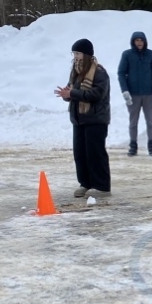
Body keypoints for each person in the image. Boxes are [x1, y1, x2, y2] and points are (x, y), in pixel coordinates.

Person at [55, 39, 112, 198]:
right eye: (74, 54)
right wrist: (67, 94)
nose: (76, 57)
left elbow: (96, 94)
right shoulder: (76, 72)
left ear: (86, 54)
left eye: (78, 53)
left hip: (95, 119)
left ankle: (102, 186)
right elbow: (74, 92)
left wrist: (72, 94)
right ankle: (85, 183)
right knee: (80, 154)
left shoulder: (99, 72)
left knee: (95, 153)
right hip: (79, 119)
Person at [116, 31, 152, 156]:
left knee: (151, 121)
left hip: (148, 94)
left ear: (145, 41)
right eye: (136, 40)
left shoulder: (151, 55)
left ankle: (151, 145)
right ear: (133, 42)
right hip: (133, 95)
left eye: (141, 40)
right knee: (133, 121)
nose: (139, 43)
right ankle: (133, 145)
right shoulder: (127, 55)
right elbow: (121, 73)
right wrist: (125, 91)